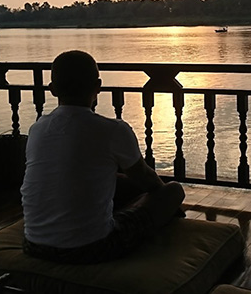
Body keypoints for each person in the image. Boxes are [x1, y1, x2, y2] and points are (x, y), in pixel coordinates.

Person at [21, 50, 185, 264]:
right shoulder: (112, 130)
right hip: (91, 248)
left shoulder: (38, 128)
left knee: (111, 179)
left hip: (33, 245)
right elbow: (148, 180)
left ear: (52, 90)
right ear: (98, 87)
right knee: (173, 191)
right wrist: (164, 201)